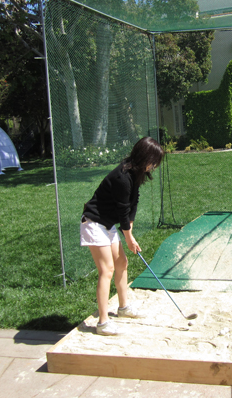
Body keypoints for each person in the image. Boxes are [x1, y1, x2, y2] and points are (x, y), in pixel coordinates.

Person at [80, 137, 164, 336]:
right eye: (153, 162)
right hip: (94, 223)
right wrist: (128, 238)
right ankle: (103, 323)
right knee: (107, 270)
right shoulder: (123, 177)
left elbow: (133, 203)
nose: (154, 167)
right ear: (144, 157)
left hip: (107, 223)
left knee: (122, 263)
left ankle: (123, 307)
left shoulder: (135, 174)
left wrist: (130, 233)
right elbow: (123, 210)